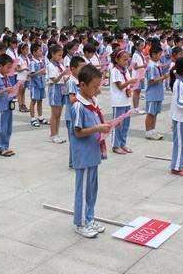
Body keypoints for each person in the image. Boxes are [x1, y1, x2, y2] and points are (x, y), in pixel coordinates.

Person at [70, 64, 111, 238]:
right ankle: (80, 223)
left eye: (98, 86)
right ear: (82, 85)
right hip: (84, 155)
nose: (96, 90)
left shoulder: (92, 102)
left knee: (92, 189)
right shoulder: (79, 106)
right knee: (83, 189)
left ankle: (90, 217)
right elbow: (77, 132)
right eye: (94, 86)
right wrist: (97, 128)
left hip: (93, 152)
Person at [110, 50, 136, 154]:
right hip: (118, 101)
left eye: (127, 59)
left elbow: (127, 85)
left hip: (126, 100)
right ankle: (115, 145)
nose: (126, 61)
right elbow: (120, 86)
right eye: (124, 59)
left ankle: (122, 143)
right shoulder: (115, 71)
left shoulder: (125, 70)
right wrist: (129, 82)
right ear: (117, 60)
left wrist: (131, 85)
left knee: (125, 124)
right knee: (118, 124)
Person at [0, 54, 16, 157]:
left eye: (10, 67)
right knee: (0, 128)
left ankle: (5, 146)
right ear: (0, 66)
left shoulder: (6, 77)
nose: (9, 69)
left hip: (8, 106)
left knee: (8, 128)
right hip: (0, 107)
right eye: (8, 67)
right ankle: (0, 148)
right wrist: (5, 90)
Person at [144, 45, 169, 140]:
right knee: (150, 113)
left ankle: (152, 130)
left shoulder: (156, 64)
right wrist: (163, 77)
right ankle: (148, 131)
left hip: (158, 93)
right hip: (152, 93)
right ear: (153, 54)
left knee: (155, 113)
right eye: (159, 54)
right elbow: (151, 80)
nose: (160, 56)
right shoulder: (151, 66)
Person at [65, 56, 85, 168]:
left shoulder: (80, 80)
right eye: (81, 68)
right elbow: (72, 99)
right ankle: (73, 162)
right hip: (71, 116)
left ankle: (78, 159)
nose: (83, 70)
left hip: (79, 114)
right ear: (72, 69)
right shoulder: (71, 81)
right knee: (74, 139)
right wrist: (83, 94)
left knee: (80, 139)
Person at [46, 44, 68, 144]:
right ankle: (53, 134)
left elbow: (63, 78)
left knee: (59, 114)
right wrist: (63, 74)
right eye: (59, 55)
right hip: (55, 88)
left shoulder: (60, 64)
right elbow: (54, 80)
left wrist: (68, 75)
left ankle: (56, 134)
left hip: (62, 88)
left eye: (61, 55)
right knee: (55, 114)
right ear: (53, 54)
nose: (61, 57)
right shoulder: (50, 66)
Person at [29, 43, 47, 128]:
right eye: (40, 50)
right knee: (33, 101)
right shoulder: (33, 63)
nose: (41, 52)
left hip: (41, 84)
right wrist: (40, 71)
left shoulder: (41, 61)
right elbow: (31, 75)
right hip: (35, 85)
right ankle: (32, 118)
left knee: (40, 100)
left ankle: (40, 117)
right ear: (34, 52)